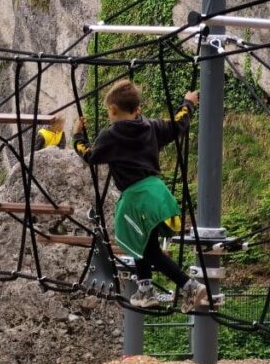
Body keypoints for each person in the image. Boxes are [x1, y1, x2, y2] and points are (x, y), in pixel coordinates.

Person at [72, 79, 208, 312]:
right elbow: (178, 125)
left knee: (144, 246)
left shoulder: (110, 135)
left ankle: (189, 285)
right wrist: (188, 103)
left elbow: (91, 156)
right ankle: (145, 290)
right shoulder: (152, 126)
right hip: (156, 193)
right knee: (143, 242)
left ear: (112, 109)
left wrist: (77, 138)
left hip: (135, 196)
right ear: (138, 109)